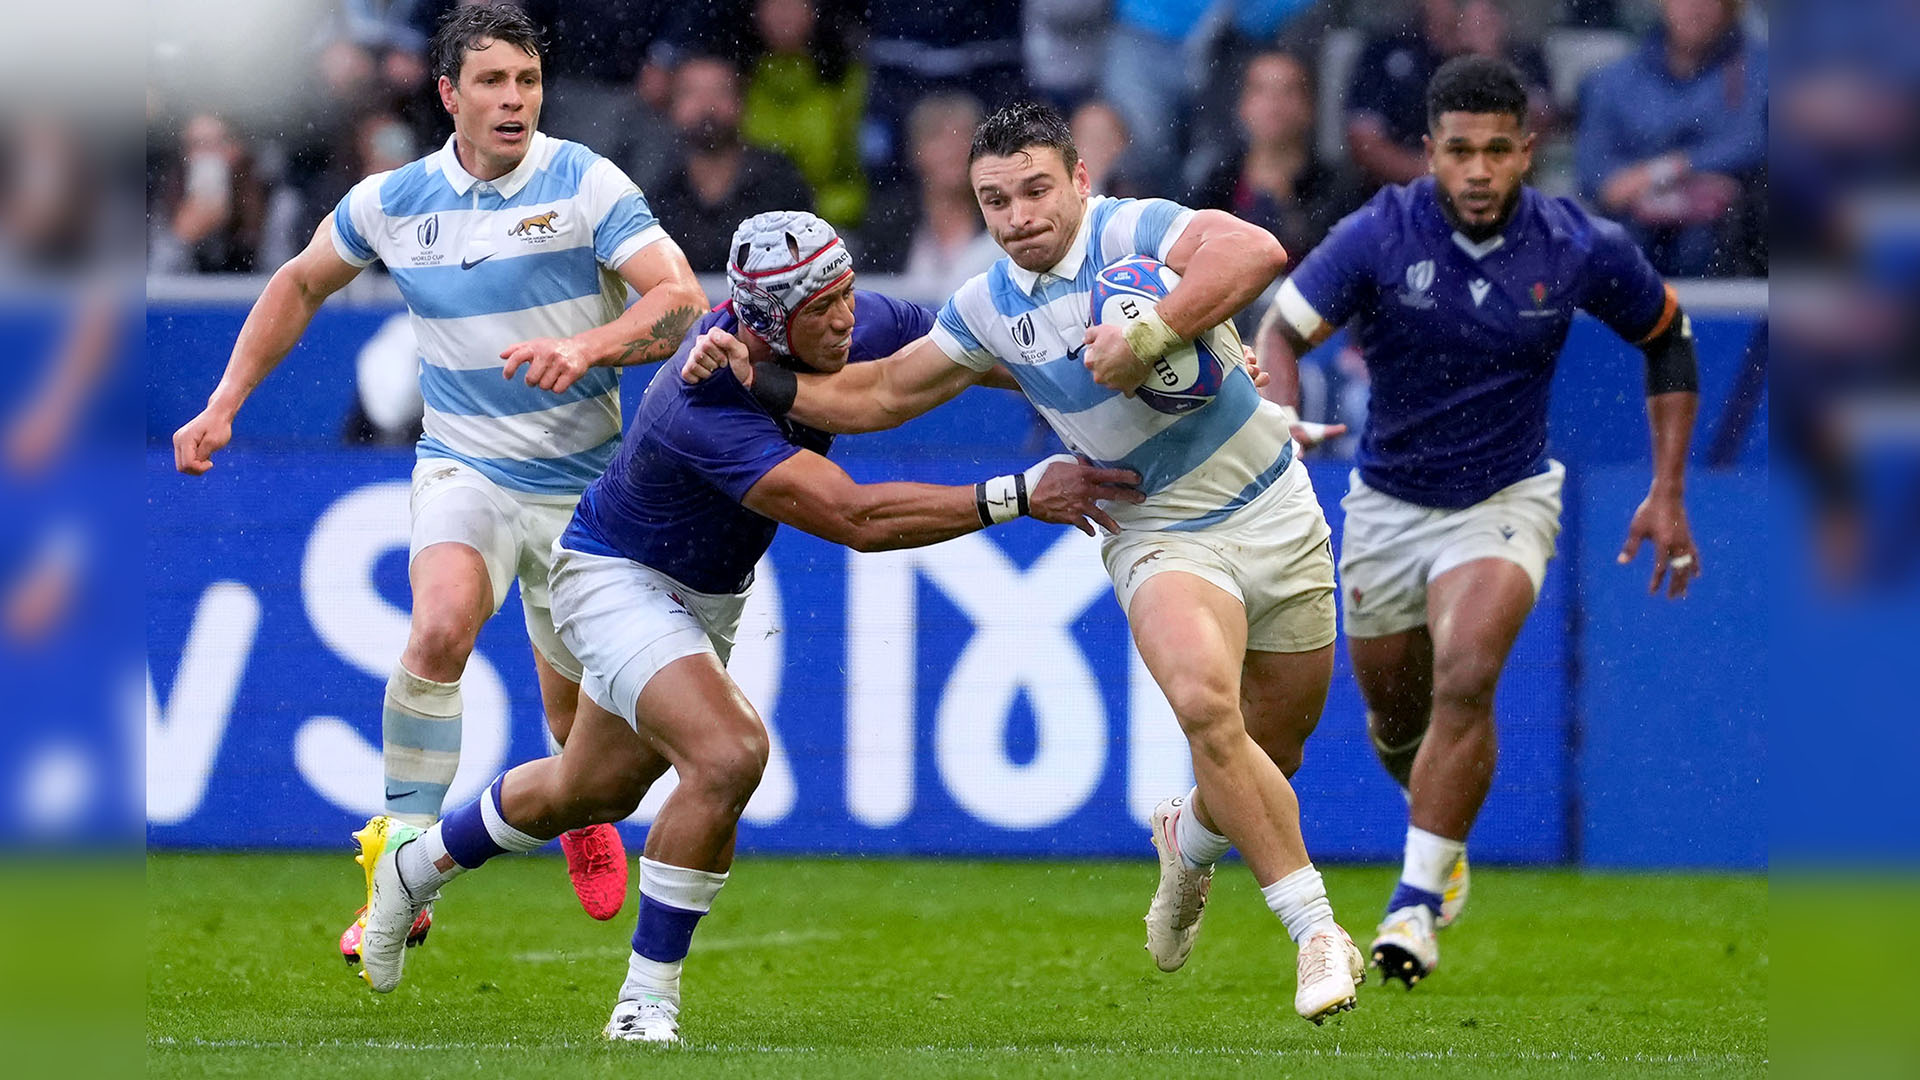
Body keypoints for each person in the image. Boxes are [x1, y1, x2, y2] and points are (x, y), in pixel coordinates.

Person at [346, 210, 1140, 1044]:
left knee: (591, 790)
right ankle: (643, 1004)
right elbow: (857, 519)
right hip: (615, 577)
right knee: (728, 754)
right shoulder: (702, 396)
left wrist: (1092, 374)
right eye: (823, 308)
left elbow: (966, 352)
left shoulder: (841, 319)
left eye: (846, 295)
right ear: (764, 326)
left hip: (703, 593)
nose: (847, 318)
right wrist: (1022, 493)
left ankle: (416, 865)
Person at [684, 103, 1367, 1025]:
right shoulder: (986, 305)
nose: (1018, 216)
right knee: (1207, 706)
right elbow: (881, 392)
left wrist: (1153, 333)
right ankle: (1316, 931)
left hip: (1278, 508)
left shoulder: (1134, 228)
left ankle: (1188, 843)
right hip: (1156, 528)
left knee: (1269, 750)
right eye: (994, 200)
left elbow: (1253, 253)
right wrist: (753, 378)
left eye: (1037, 189)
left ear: (1081, 181)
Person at [169, 2, 709, 959]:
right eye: (494, 83)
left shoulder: (585, 182)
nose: (515, 101)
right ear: (449, 92)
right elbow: (298, 282)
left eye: (529, 82)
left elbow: (680, 300)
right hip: (466, 466)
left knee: (573, 723)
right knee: (441, 623)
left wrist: (590, 345)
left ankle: (580, 806)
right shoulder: (393, 201)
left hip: (588, 491)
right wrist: (224, 402)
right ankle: (402, 865)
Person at [1258, 56, 1704, 987]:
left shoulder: (1574, 243)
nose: (1478, 172)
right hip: (1386, 502)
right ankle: (1443, 838)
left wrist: (1666, 491)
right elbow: (1280, 332)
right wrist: (1284, 423)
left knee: (1469, 673)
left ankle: (1414, 906)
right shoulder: (1380, 233)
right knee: (1395, 719)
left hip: (1506, 496)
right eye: (1460, 151)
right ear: (1430, 153)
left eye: (1498, 152)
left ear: (1527, 152)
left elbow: (1669, 335)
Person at [1576, 0, 1767, 277]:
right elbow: (1596, 174)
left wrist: (1671, 169)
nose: (1696, 7)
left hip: (1729, 237)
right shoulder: (1613, 80)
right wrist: (1655, 191)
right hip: (1636, 232)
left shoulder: (1763, 69)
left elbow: (1756, 141)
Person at [646, 54, 814, 271]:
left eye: (720, 91)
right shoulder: (657, 186)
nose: (707, 106)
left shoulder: (778, 178)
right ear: (672, 106)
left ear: (741, 102)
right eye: (691, 93)